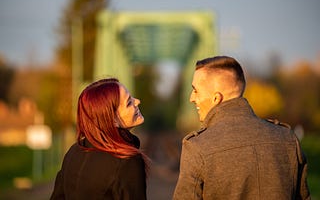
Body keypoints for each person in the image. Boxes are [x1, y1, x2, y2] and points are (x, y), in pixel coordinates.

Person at [173, 56, 310, 199]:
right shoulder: (288, 139)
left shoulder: (197, 147)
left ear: (216, 98)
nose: (191, 98)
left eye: (195, 90)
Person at [50, 78, 149, 200]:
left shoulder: (73, 152)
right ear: (111, 120)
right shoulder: (127, 160)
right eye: (129, 103)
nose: (137, 101)